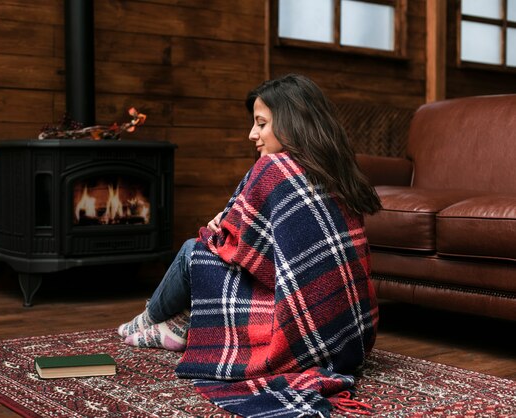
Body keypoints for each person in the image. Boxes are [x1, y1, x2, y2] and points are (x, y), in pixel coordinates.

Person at [117, 74, 381, 417]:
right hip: (352, 333)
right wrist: (232, 229)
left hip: (298, 330)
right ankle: (177, 324)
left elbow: (226, 241)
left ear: (292, 122)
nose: (251, 134)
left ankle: (147, 322)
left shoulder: (274, 167)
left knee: (192, 250)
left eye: (261, 123)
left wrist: (221, 230)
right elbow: (288, 254)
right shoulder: (338, 170)